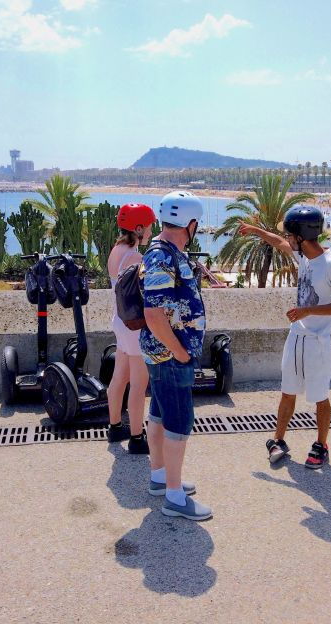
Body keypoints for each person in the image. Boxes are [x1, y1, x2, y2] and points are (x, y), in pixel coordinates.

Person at [238, 205, 331, 468]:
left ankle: (321, 444)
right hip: (296, 338)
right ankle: (278, 440)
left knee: (319, 396)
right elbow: (278, 242)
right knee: (287, 392)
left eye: (291, 235)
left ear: (301, 236)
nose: (288, 239)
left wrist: (307, 311)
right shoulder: (304, 256)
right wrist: (255, 230)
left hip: (318, 343)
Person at [139, 191, 211, 520]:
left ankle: (160, 477)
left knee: (159, 412)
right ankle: (174, 495)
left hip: (164, 352)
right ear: (191, 223)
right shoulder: (162, 256)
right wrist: (180, 352)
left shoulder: (168, 251)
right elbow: (154, 314)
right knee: (179, 421)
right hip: (170, 354)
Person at [106, 203, 157, 454]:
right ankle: (137, 437)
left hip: (119, 321)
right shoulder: (136, 257)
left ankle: (115, 426)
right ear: (138, 228)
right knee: (139, 382)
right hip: (134, 326)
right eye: (148, 227)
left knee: (120, 377)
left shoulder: (117, 250)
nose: (150, 231)